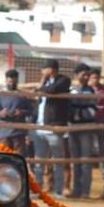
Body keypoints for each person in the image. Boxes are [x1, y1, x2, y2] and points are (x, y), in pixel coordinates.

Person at [31, 59, 71, 197]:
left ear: (51, 69)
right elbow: (38, 104)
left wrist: (40, 87)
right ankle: (37, 189)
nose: (42, 72)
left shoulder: (63, 80)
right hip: (39, 127)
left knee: (57, 161)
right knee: (39, 161)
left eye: (44, 69)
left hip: (54, 127)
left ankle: (58, 191)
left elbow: (53, 90)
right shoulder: (45, 83)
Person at [67, 63, 96, 198]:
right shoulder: (71, 90)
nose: (86, 77)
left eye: (88, 75)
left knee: (85, 160)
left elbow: (92, 110)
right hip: (73, 127)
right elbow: (68, 107)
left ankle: (85, 191)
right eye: (84, 74)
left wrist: (78, 112)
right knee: (75, 160)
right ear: (76, 75)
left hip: (86, 128)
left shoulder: (90, 91)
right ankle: (76, 189)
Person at [0, 68, 32, 153]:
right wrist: (1, 113)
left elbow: (31, 111)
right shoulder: (1, 95)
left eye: (14, 82)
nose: (12, 84)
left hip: (19, 133)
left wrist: (21, 112)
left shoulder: (23, 96)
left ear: (17, 81)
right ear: (6, 81)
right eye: (10, 82)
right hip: (4, 133)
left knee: (19, 156)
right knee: (5, 157)